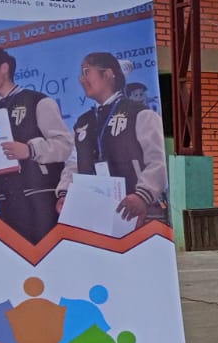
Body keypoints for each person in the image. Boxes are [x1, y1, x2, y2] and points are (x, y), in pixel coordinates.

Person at [0, 46, 73, 243]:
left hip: (41, 198)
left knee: (49, 258)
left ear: (4, 68)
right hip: (6, 202)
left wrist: (30, 150)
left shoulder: (38, 101)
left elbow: (65, 145)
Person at [57, 52, 169, 227]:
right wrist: (65, 193)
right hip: (94, 215)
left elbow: (158, 162)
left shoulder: (141, 114)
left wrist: (142, 195)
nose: (82, 79)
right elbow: (73, 164)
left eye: (87, 72)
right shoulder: (82, 122)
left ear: (108, 74)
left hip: (136, 214)